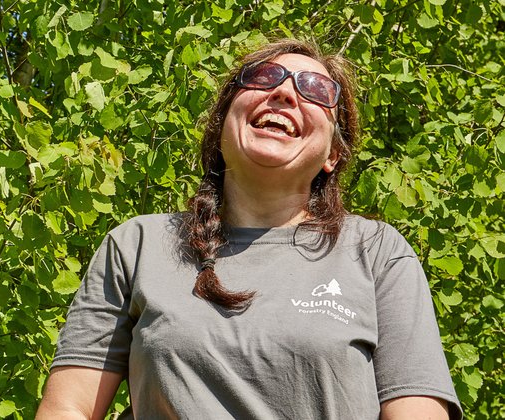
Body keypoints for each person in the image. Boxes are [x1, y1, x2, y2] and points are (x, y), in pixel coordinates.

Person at [36, 39, 462, 419]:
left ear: (333, 153)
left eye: (315, 90)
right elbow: (69, 408)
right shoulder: (137, 245)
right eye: (264, 77)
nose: (284, 92)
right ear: (222, 122)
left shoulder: (376, 252)